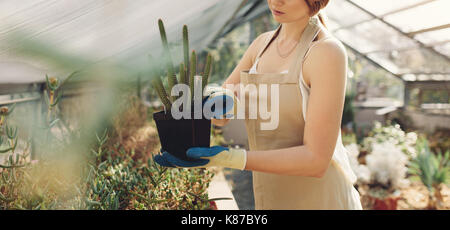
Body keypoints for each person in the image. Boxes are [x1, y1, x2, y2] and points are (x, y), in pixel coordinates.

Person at [154, 0, 362, 210]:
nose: (275, 1)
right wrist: (218, 99)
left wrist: (228, 158)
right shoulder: (261, 46)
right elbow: (219, 116)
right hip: (271, 196)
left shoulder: (326, 52)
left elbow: (315, 161)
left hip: (321, 199)